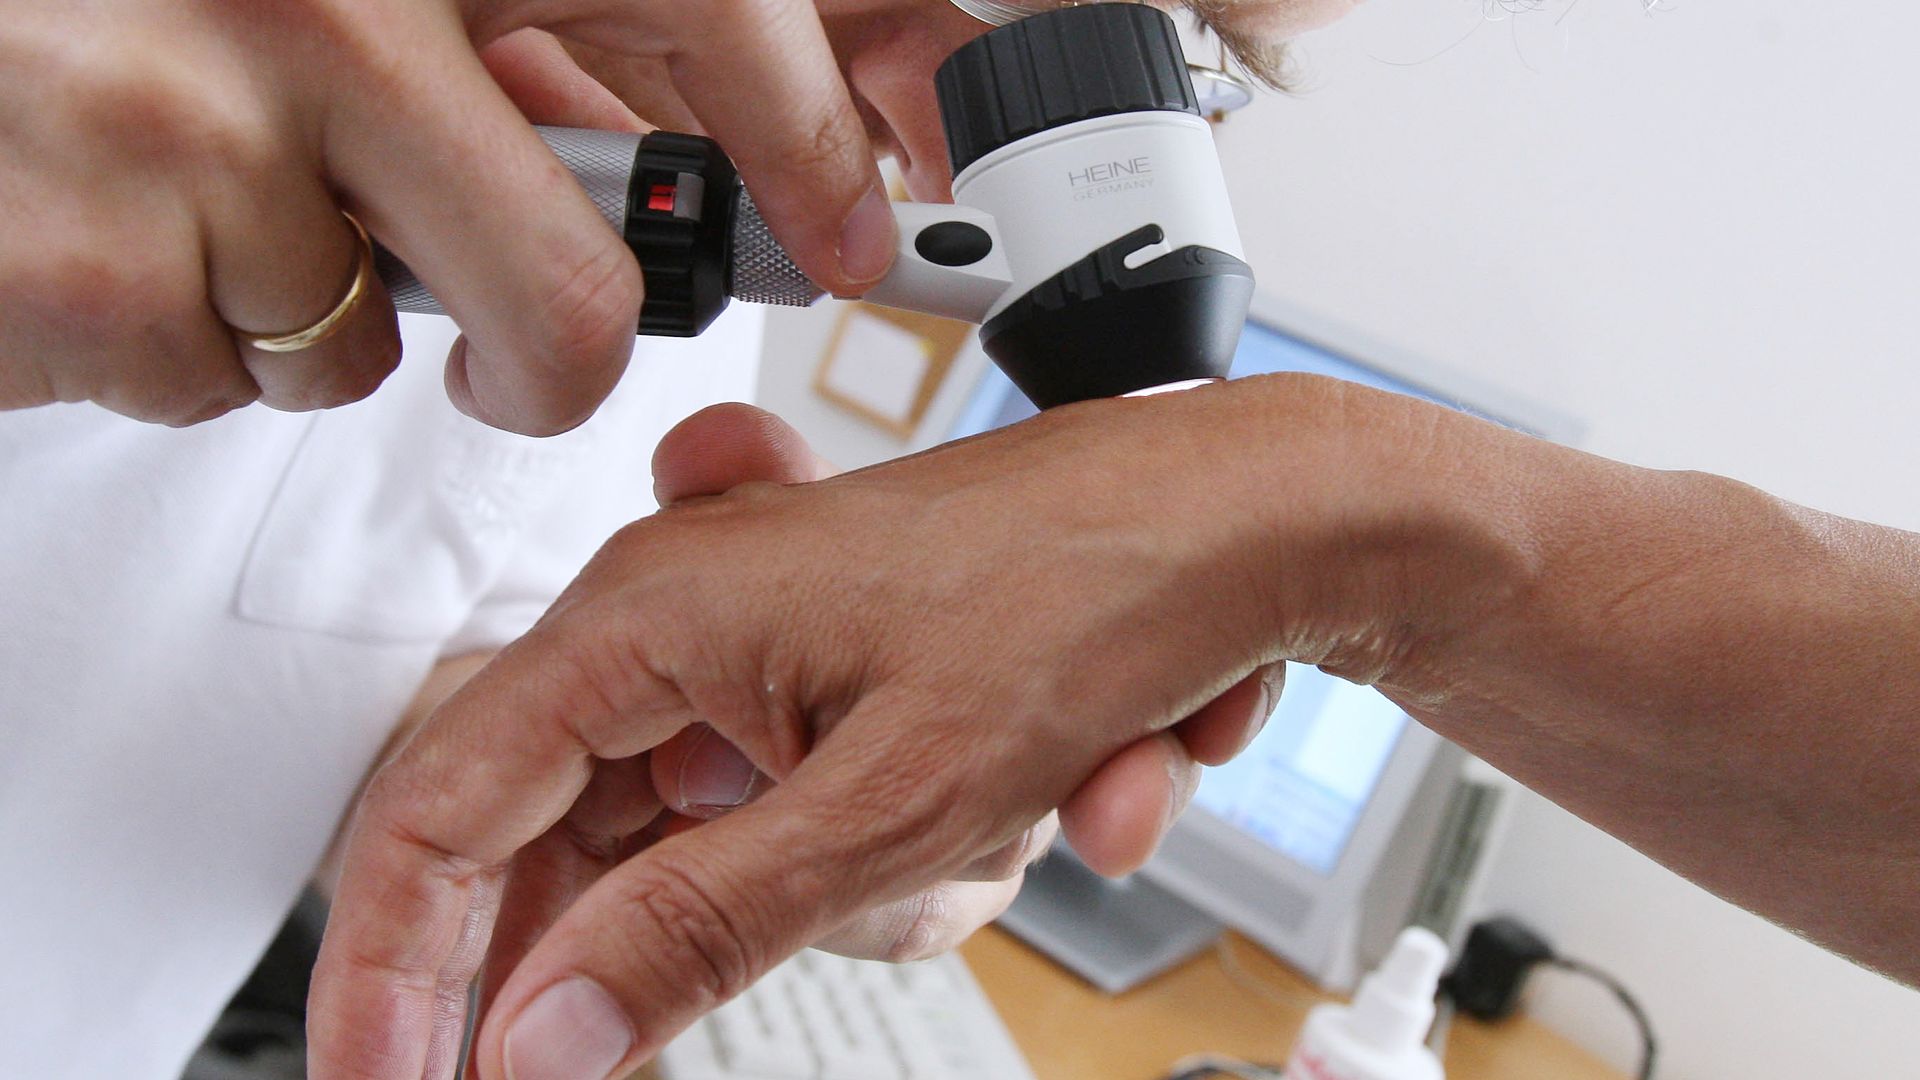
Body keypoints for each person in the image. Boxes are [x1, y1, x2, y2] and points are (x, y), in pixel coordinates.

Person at [0, 1, 1317, 1077]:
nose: (939, 130)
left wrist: (695, 789)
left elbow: (331, 713)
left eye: (1196, 52)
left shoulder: (671, 263)